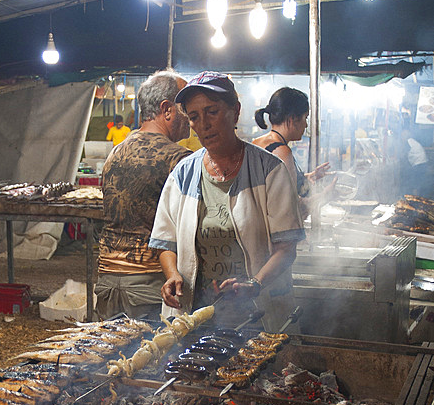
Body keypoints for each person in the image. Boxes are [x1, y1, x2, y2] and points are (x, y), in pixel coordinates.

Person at [149, 71, 305, 326]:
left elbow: (287, 249)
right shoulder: (183, 173)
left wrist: (255, 284)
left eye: (212, 112)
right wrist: (172, 275)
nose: (204, 125)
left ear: (235, 111)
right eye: (194, 117)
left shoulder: (270, 170)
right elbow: (166, 243)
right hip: (196, 317)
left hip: (256, 316)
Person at [95, 70, 192, 320]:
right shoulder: (178, 159)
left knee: (111, 357)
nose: (191, 117)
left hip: (107, 282)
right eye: (185, 108)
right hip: (150, 286)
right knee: (150, 357)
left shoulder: (115, 153)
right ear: (167, 109)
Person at [253, 87, 334, 213]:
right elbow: (294, 208)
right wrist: (327, 195)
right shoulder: (281, 152)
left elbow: (272, 186)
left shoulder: (257, 142)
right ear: (292, 119)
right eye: (305, 118)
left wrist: (307, 177)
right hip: (275, 231)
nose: (306, 125)